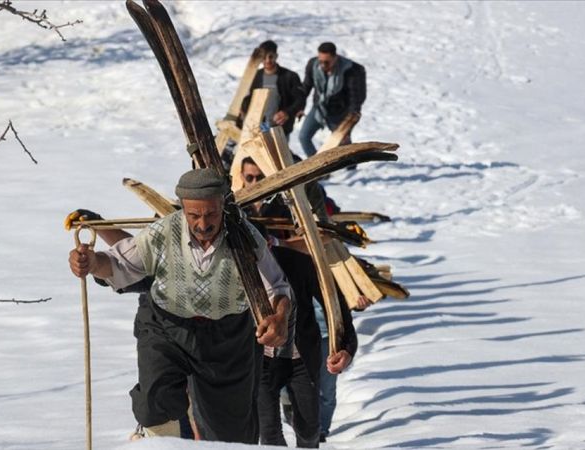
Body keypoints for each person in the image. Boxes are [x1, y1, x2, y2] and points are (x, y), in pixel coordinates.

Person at [68, 168, 293, 443]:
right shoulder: (163, 232)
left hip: (228, 336)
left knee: (231, 431)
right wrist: (92, 264)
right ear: (183, 209)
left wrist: (279, 316)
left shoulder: (244, 237)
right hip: (166, 325)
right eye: (194, 215)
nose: (202, 224)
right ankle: (158, 444)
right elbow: (119, 264)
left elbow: (277, 287)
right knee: (155, 401)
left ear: (222, 205)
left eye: (210, 214)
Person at [238, 165, 369, 447]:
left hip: (300, 358)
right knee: (269, 432)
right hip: (260, 361)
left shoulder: (299, 264)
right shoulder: (237, 271)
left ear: (269, 244)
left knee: (310, 431)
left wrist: (346, 349)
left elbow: (338, 311)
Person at [298, 42, 366, 157]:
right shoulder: (313, 65)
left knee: (344, 144)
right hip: (319, 109)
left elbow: (355, 100)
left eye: (327, 62)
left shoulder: (350, 70)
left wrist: (347, 127)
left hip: (340, 112)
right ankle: (319, 168)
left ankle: (351, 169)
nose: (323, 65)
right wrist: (299, 106)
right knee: (303, 137)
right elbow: (306, 87)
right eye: (321, 61)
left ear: (335, 58)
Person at [240, 40, 306, 138]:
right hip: (259, 126)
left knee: (280, 153)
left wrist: (287, 112)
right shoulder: (256, 76)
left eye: (271, 56)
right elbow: (249, 97)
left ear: (276, 56)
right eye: (264, 57)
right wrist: (243, 110)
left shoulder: (289, 76)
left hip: (280, 127)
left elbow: (300, 100)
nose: (267, 60)